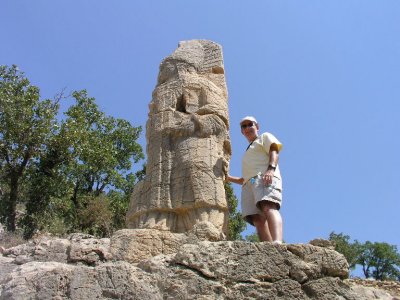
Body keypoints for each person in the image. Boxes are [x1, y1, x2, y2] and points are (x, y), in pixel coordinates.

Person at [226, 116, 284, 243]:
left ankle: (277, 242)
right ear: (242, 131)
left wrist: (271, 168)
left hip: (264, 176)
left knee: (268, 206)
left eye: (250, 124)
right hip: (250, 183)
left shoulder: (264, 137)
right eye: (244, 126)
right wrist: (229, 178)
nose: (247, 128)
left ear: (257, 127)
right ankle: (268, 248)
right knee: (256, 218)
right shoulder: (247, 152)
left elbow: (273, 150)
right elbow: (245, 179)